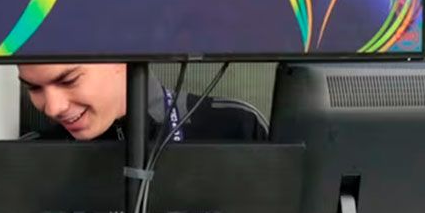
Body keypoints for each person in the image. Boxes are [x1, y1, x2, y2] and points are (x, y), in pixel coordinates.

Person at [19, 64, 268, 142]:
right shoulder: (27, 157)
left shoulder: (236, 128)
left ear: (120, 56)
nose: (52, 108)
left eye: (69, 80)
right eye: (33, 87)